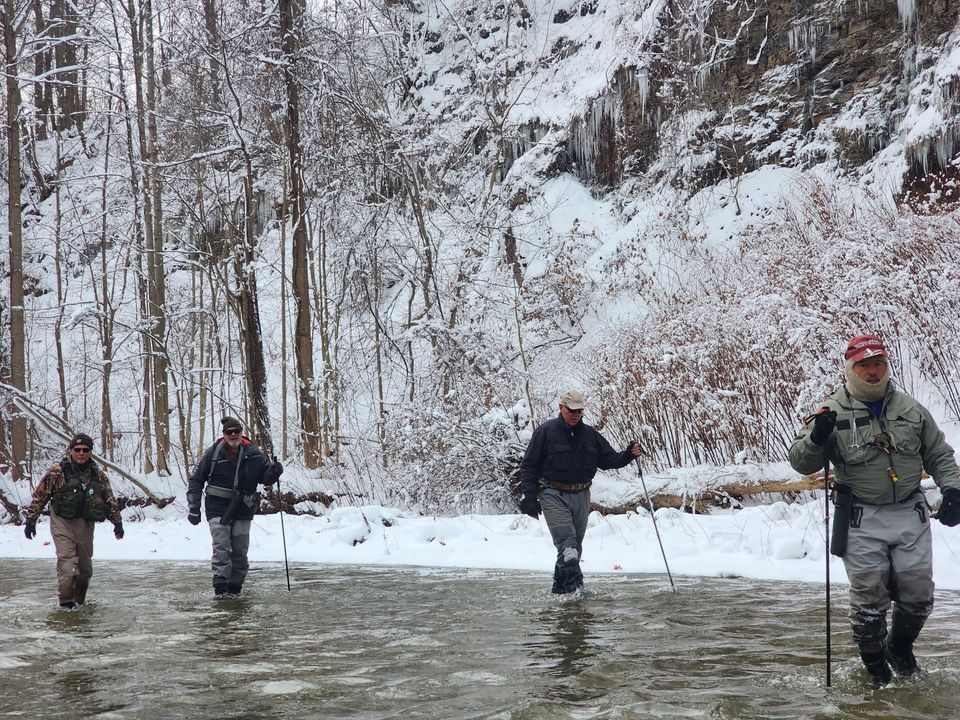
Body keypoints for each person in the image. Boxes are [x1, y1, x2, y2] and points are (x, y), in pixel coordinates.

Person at [789, 334, 960, 685]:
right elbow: (802, 463)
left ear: (886, 366)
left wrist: (954, 490)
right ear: (851, 368)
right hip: (860, 517)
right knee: (869, 599)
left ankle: (899, 648)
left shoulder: (911, 409)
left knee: (919, 595)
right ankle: (877, 673)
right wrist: (816, 438)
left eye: (878, 364)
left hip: (909, 512)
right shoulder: (830, 412)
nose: (872, 372)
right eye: (864, 365)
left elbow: (939, 454)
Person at [518, 389, 641, 594]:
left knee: (575, 548)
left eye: (579, 411)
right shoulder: (545, 432)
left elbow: (609, 460)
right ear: (561, 408)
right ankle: (577, 591)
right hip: (551, 493)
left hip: (582, 494)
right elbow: (528, 465)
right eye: (572, 410)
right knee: (568, 547)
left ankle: (560, 591)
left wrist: (628, 454)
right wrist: (530, 495)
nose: (576, 415)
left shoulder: (591, 435)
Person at [22, 433, 125, 609]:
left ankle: (79, 603)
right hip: (61, 521)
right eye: (77, 449)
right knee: (68, 564)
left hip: (85, 524)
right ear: (70, 451)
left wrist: (117, 523)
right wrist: (31, 520)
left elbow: (109, 499)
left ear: (90, 452)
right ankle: (66, 604)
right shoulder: (57, 471)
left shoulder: (98, 475)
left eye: (85, 450)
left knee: (85, 571)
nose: (81, 453)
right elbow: (41, 495)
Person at [187, 416, 283, 597]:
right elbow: (196, 480)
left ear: (241, 433)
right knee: (221, 547)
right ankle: (221, 590)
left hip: (242, 509)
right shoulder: (213, 453)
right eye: (228, 432)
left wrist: (275, 471)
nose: (232, 435)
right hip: (216, 507)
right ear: (223, 435)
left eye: (236, 431)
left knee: (239, 552)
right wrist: (194, 507)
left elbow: (265, 478)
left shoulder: (254, 454)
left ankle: (235, 589)